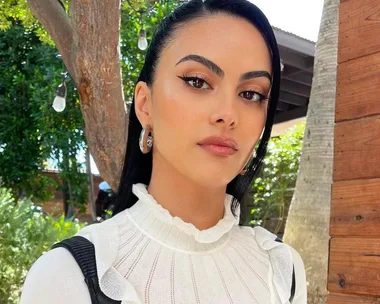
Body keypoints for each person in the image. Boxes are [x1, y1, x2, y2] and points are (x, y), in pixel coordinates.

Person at [20, 0, 307, 303]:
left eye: (251, 94)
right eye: (197, 81)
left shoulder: (282, 269)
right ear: (145, 105)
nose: (228, 113)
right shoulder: (68, 277)